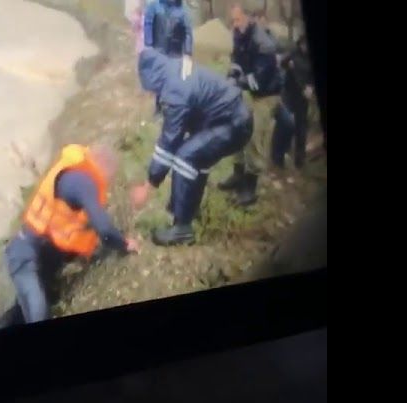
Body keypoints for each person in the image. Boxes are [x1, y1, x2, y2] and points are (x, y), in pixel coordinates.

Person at [0, 144, 140, 330]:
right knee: (38, 311)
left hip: (41, 256)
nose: (108, 183)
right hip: (25, 254)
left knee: (24, 310)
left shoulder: (77, 176)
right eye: (110, 177)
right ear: (103, 167)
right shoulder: (83, 181)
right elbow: (104, 227)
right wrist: (124, 243)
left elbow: (72, 226)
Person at [130, 48, 253, 246]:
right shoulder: (174, 69)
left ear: (152, 77)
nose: (149, 92)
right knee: (196, 157)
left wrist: (149, 186)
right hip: (229, 118)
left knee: (185, 157)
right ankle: (185, 209)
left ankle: (182, 228)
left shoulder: (174, 91)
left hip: (232, 125)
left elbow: (169, 142)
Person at [218, 3, 282, 206]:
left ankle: (251, 187)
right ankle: (238, 173)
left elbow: (259, 81)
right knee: (238, 125)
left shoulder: (264, 44)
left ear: (249, 18)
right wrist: (231, 75)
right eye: (233, 20)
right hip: (250, 90)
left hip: (267, 93)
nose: (235, 25)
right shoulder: (239, 34)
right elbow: (236, 60)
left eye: (238, 20)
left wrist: (238, 82)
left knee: (254, 134)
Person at [271, 34, 314, 170]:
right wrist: (286, 64)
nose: (304, 47)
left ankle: (299, 160)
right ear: (300, 43)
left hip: (303, 97)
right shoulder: (293, 53)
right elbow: (280, 63)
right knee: (285, 124)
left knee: (301, 128)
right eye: (303, 44)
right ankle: (278, 156)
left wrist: (311, 87)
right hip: (288, 94)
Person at [144, 0, 194, 114]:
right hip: (159, 48)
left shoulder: (182, 11)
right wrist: (149, 43)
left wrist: (187, 52)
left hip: (175, 51)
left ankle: (172, 105)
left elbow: (188, 33)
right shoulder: (155, 6)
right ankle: (158, 106)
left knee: (173, 78)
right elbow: (148, 23)